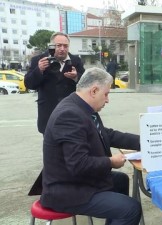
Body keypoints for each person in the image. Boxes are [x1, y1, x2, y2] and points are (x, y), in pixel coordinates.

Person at [41, 67, 142, 225]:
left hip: (74, 180)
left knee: (121, 180)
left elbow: (107, 134)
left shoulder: (80, 106)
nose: (107, 100)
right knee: (131, 209)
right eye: (106, 94)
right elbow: (78, 164)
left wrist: (145, 141)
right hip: (67, 189)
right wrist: (110, 162)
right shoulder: (70, 115)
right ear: (94, 91)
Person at [25, 32, 85, 134]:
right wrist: (39, 70)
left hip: (71, 113)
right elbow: (29, 84)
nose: (62, 49)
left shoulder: (76, 60)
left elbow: (86, 84)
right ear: (52, 46)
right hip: (48, 114)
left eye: (65, 46)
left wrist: (76, 77)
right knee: (51, 148)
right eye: (59, 45)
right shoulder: (38, 60)